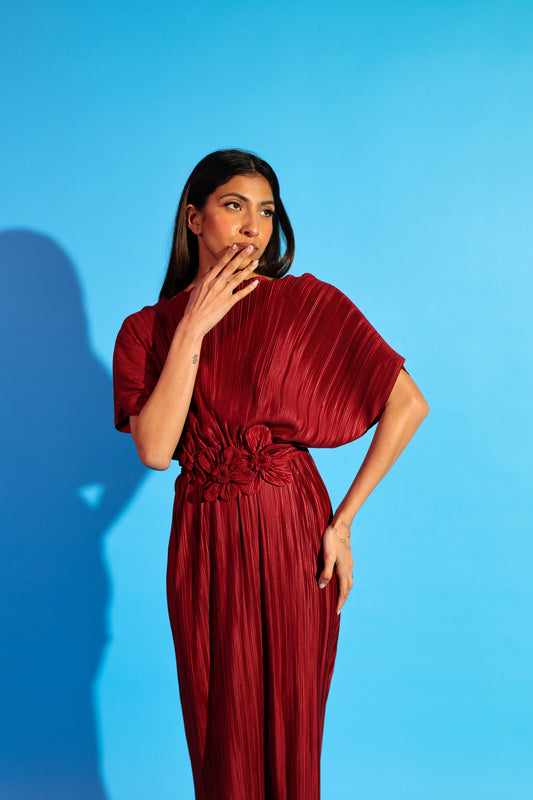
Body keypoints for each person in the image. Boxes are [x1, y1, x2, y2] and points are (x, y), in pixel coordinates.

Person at [112, 149, 429, 799]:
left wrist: (342, 524)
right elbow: (155, 448)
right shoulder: (146, 331)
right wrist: (194, 325)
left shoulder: (303, 304)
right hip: (203, 541)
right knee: (217, 725)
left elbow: (408, 404)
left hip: (291, 534)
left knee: (289, 722)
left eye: (265, 211)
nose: (252, 226)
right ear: (194, 219)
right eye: (234, 206)